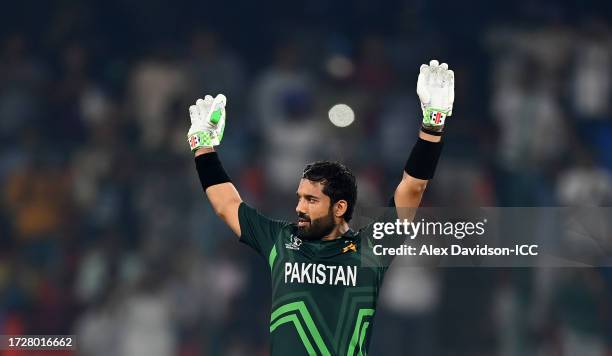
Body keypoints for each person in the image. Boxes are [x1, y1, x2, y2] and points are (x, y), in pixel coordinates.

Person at [186, 60, 454, 355]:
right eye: (300, 197)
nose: (300, 206)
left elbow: (412, 188)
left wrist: (433, 123)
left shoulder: (370, 249)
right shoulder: (281, 240)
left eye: (311, 200)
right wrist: (203, 147)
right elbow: (226, 205)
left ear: (339, 207)